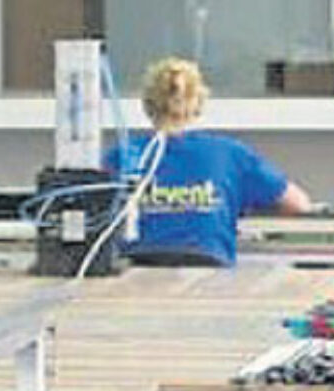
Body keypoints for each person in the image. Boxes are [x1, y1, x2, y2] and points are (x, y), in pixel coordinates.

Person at [108, 57, 310, 266]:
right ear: (199, 103)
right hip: (210, 273)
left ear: (147, 105)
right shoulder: (230, 154)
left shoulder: (123, 156)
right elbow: (299, 204)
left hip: (140, 275)